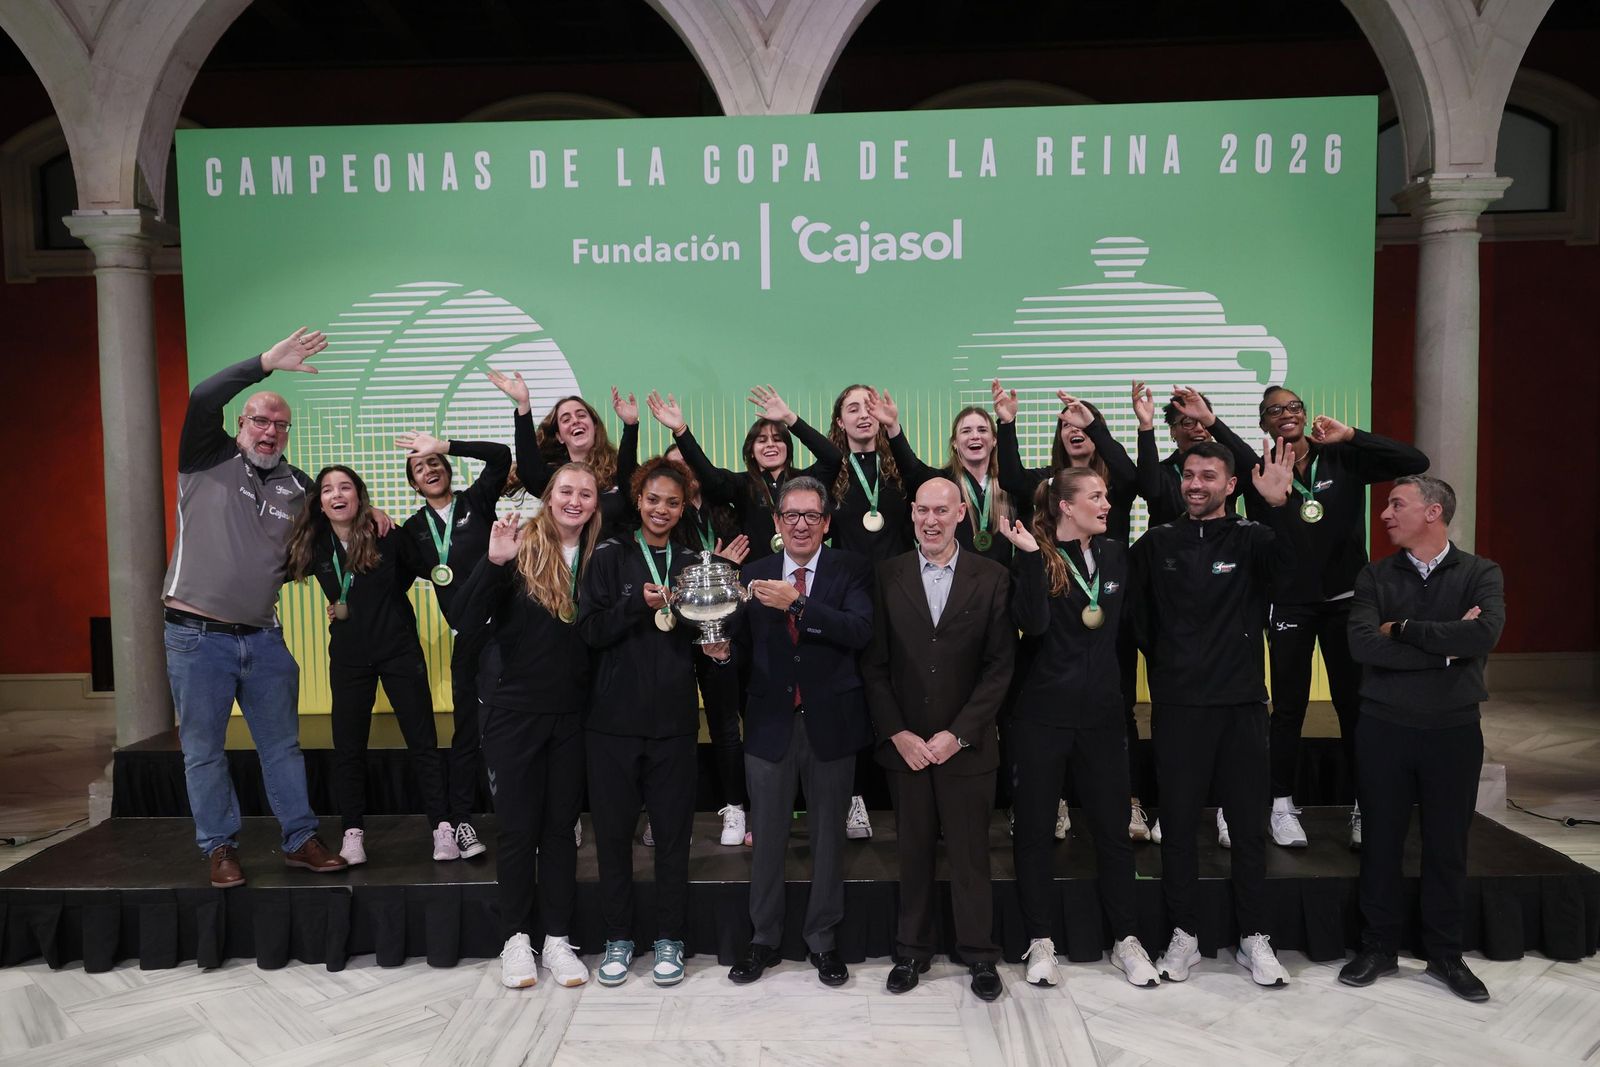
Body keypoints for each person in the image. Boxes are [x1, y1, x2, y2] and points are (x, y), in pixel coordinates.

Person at [1193, 385, 1430, 849]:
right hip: (1289, 603)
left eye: (1293, 407)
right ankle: (1281, 806)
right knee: (1288, 708)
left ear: (1305, 414)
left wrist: (1351, 434)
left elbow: (1415, 461)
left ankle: (1364, 805)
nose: (1286, 414)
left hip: (1347, 600)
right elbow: (1230, 448)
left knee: (1353, 705)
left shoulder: (1342, 458)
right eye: (1274, 411)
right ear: (1263, 423)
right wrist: (1210, 419)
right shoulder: (1260, 470)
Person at [161, 327, 348, 888]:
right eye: (260, 421)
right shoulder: (206, 455)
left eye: (280, 425)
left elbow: (328, 534)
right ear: (241, 423)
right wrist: (266, 362)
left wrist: (368, 515)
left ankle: (300, 840)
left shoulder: (299, 486)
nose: (270, 432)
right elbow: (203, 396)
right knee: (203, 752)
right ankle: (220, 847)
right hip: (196, 637)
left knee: (283, 748)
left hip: (264, 638)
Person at [1129, 439, 1299, 987]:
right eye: (1189, 475)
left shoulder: (1255, 537)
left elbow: (1291, 575)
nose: (1195, 484)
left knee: (1247, 828)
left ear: (1231, 485)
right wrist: (1169, 664)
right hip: (1178, 707)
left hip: (1242, 705)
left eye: (1208, 476)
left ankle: (1255, 936)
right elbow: (1138, 618)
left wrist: (1279, 507)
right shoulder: (1157, 542)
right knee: (1178, 827)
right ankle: (1184, 934)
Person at [1340, 475, 1505, 1002]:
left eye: (1397, 504)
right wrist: (1449, 651)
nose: (1385, 514)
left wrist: (1404, 628)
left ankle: (1445, 954)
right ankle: (1378, 947)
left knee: (1447, 845)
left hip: (1453, 729)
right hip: (1384, 727)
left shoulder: (1481, 572)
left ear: (1433, 512)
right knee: (1380, 843)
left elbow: (1484, 634)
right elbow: (1363, 646)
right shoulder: (1374, 574)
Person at [1000, 469, 1159, 989]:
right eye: (1096, 496)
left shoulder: (1114, 554)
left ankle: (1127, 939)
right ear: (1066, 506)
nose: (1106, 503)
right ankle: (1040, 940)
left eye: (1106, 495)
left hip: (1102, 717)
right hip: (1042, 716)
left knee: (1113, 831)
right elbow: (1033, 625)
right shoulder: (1035, 556)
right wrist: (1029, 559)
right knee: (1035, 831)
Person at [451, 463, 604, 990]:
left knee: (560, 831)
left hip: (572, 715)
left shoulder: (602, 557)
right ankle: (515, 938)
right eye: (566, 490)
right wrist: (494, 561)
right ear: (549, 496)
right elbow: (464, 619)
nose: (575, 500)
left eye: (586, 493)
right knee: (518, 831)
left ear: (596, 503)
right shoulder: (517, 547)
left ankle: (558, 939)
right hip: (512, 713)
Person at [718, 476, 874, 989]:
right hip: (769, 725)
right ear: (777, 522)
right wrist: (721, 653)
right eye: (791, 515)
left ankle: (823, 941)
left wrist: (797, 604)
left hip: (832, 723)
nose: (800, 525)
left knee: (829, 838)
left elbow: (859, 631)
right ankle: (762, 939)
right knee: (766, 838)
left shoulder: (850, 568)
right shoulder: (753, 573)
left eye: (811, 516)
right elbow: (740, 648)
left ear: (826, 523)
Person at [863, 478, 1013, 1001]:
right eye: (923, 510)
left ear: (960, 515)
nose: (931, 520)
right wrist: (897, 733)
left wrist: (959, 734)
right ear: (911, 513)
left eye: (941, 511)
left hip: (966, 748)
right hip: (906, 747)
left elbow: (999, 668)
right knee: (913, 852)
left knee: (971, 855)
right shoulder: (886, 575)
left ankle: (980, 955)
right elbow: (874, 665)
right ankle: (911, 950)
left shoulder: (992, 577)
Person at [577, 457, 721, 988]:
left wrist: (718, 648)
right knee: (613, 838)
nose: (662, 510)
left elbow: (705, 632)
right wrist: (635, 606)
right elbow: (590, 631)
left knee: (674, 839)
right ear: (638, 500)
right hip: (611, 724)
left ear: (683, 509)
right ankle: (618, 937)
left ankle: (669, 938)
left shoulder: (692, 563)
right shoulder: (609, 556)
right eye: (653, 499)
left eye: (673, 503)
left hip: (675, 724)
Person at [287, 466, 455, 864]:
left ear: (359, 496)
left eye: (345, 487)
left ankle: (442, 827)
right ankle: (352, 833)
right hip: (349, 660)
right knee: (349, 749)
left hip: (400, 653)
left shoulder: (386, 534)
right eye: (328, 490)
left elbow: (423, 568)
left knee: (423, 743)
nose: (337, 494)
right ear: (320, 503)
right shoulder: (315, 543)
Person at [994, 381, 1140, 842]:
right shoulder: (1048, 483)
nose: (1071, 429)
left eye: (1079, 424)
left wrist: (1093, 424)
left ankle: (1127, 801)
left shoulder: (1112, 486)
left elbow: (1134, 477)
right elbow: (1012, 476)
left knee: (1118, 707)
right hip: (1060, 634)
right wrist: (1007, 424)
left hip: (1108, 609)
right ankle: (1051, 801)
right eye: (1064, 426)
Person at [397, 430, 512, 861]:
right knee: (467, 732)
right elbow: (392, 578)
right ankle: (462, 821)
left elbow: (500, 455)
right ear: (414, 484)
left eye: (433, 462)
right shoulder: (413, 531)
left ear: (446, 468)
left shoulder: (476, 502)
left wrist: (443, 445)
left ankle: (531, 818)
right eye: (419, 468)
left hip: (511, 632)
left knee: (519, 726)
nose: (428, 469)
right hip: (470, 640)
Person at [824, 383, 911, 841]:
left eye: (869, 406)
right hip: (850, 600)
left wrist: (895, 430)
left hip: (901, 598)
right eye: (852, 408)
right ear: (839, 421)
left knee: (904, 698)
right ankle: (854, 798)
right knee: (853, 702)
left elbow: (923, 478)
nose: (863, 414)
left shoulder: (899, 472)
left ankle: (911, 796)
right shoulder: (831, 473)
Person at [649, 385, 842, 563]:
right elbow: (711, 478)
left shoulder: (805, 482)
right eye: (762, 440)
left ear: (788, 448)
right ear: (751, 451)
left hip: (807, 569)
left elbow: (832, 457)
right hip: (758, 575)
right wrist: (681, 431)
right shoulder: (742, 484)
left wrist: (789, 418)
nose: (770, 445)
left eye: (777, 439)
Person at [487, 370, 640, 540]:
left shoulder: (620, 469)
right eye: (566, 419)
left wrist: (630, 426)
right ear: (559, 436)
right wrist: (523, 405)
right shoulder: (557, 478)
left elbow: (635, 494)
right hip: (570, 556)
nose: (575, 421)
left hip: (620, 554)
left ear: (595, 427)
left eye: (581, 415)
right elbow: (530, 471)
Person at [875, 398, 1014, 566]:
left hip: (1001, 580)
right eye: (966, 431)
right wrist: (892, 427)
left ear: (994, 440)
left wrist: (1007, 422)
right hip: (954, 578)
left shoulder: (1010, 485)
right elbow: (911, 468)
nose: (975, 436)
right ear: (955, 443)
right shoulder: (943, 482)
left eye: (982, 430)